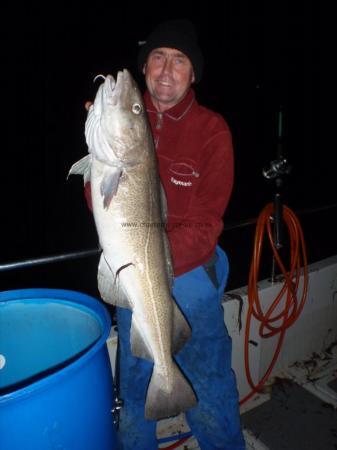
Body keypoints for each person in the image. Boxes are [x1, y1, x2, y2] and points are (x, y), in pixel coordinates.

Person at [85, 18, 245, 450]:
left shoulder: (212, 131)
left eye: (179, 60)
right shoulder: (126, 122)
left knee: (210, 388)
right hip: (133, 276)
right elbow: (102, 206)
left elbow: (208, 224)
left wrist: (152, 254)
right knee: (134, 394)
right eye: (158, 57)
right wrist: (100, 147)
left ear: (193, 74)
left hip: (190, 275)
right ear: (145, 68)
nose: (166, 69)